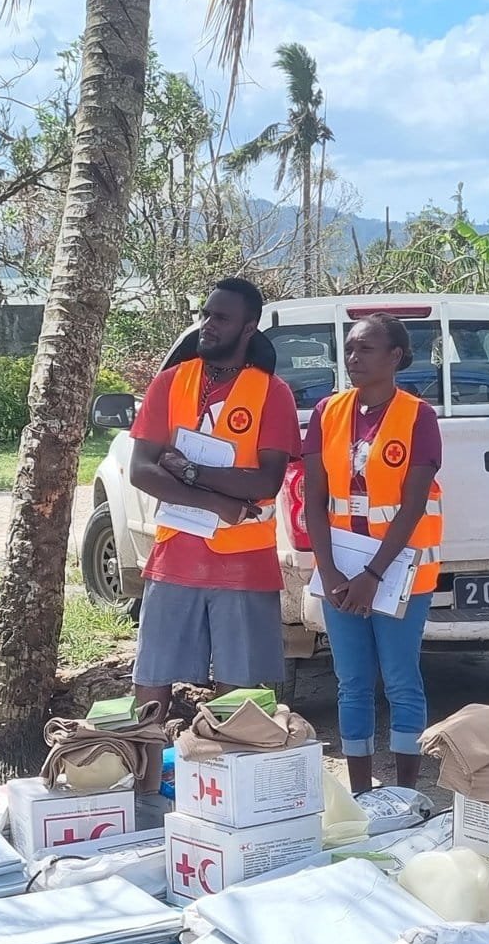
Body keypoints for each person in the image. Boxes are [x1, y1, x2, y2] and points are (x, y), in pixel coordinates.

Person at [126, 278, 300, 710]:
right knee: (150, 687)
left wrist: (189, 471)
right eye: (205, 314)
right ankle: (149, 759)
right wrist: (216, 501)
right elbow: (141, 470)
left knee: (239, 702)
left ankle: (229, 759)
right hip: (173, 558)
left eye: (221, 318)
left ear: (249, 328)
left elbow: (265, 482)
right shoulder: (169, 383)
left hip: (245, 566)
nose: (207, 324)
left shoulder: (272, 393)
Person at [301, 315, 444, 794]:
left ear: (395, 357)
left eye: (365, 349)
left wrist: (372, 574)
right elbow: (314, 500)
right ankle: (361, 792)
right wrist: (328, 571)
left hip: (398, 571)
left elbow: (413, 504)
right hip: (340, 569)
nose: (353, 358)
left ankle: (405, 794)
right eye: (349, 349)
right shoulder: (327, 411)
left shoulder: (418, 416)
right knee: (352, 683)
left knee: (401, 680)